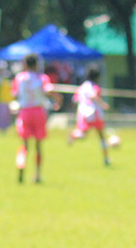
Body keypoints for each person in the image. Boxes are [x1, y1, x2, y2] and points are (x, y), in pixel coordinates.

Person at [11, 53, 60, 183]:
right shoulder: (42, 78)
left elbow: (15, 95)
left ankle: (21, 164)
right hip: (38, 112)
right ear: (37, 64)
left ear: (25, 64)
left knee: (24, 145)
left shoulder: (19, 78)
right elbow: (49, 91)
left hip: (25, 112)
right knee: (38, 146)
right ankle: (37, 175)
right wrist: (57, 99)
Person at [68, 66, 112, 167]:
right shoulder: (95, 87)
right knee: (101, 137)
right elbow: (93, 96)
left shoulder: (82, 87)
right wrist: (103, 104)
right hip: (94, 113)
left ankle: (73, 135)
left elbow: (75, 99)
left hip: (83, 114)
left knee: (83, 135)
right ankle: (106, 158)